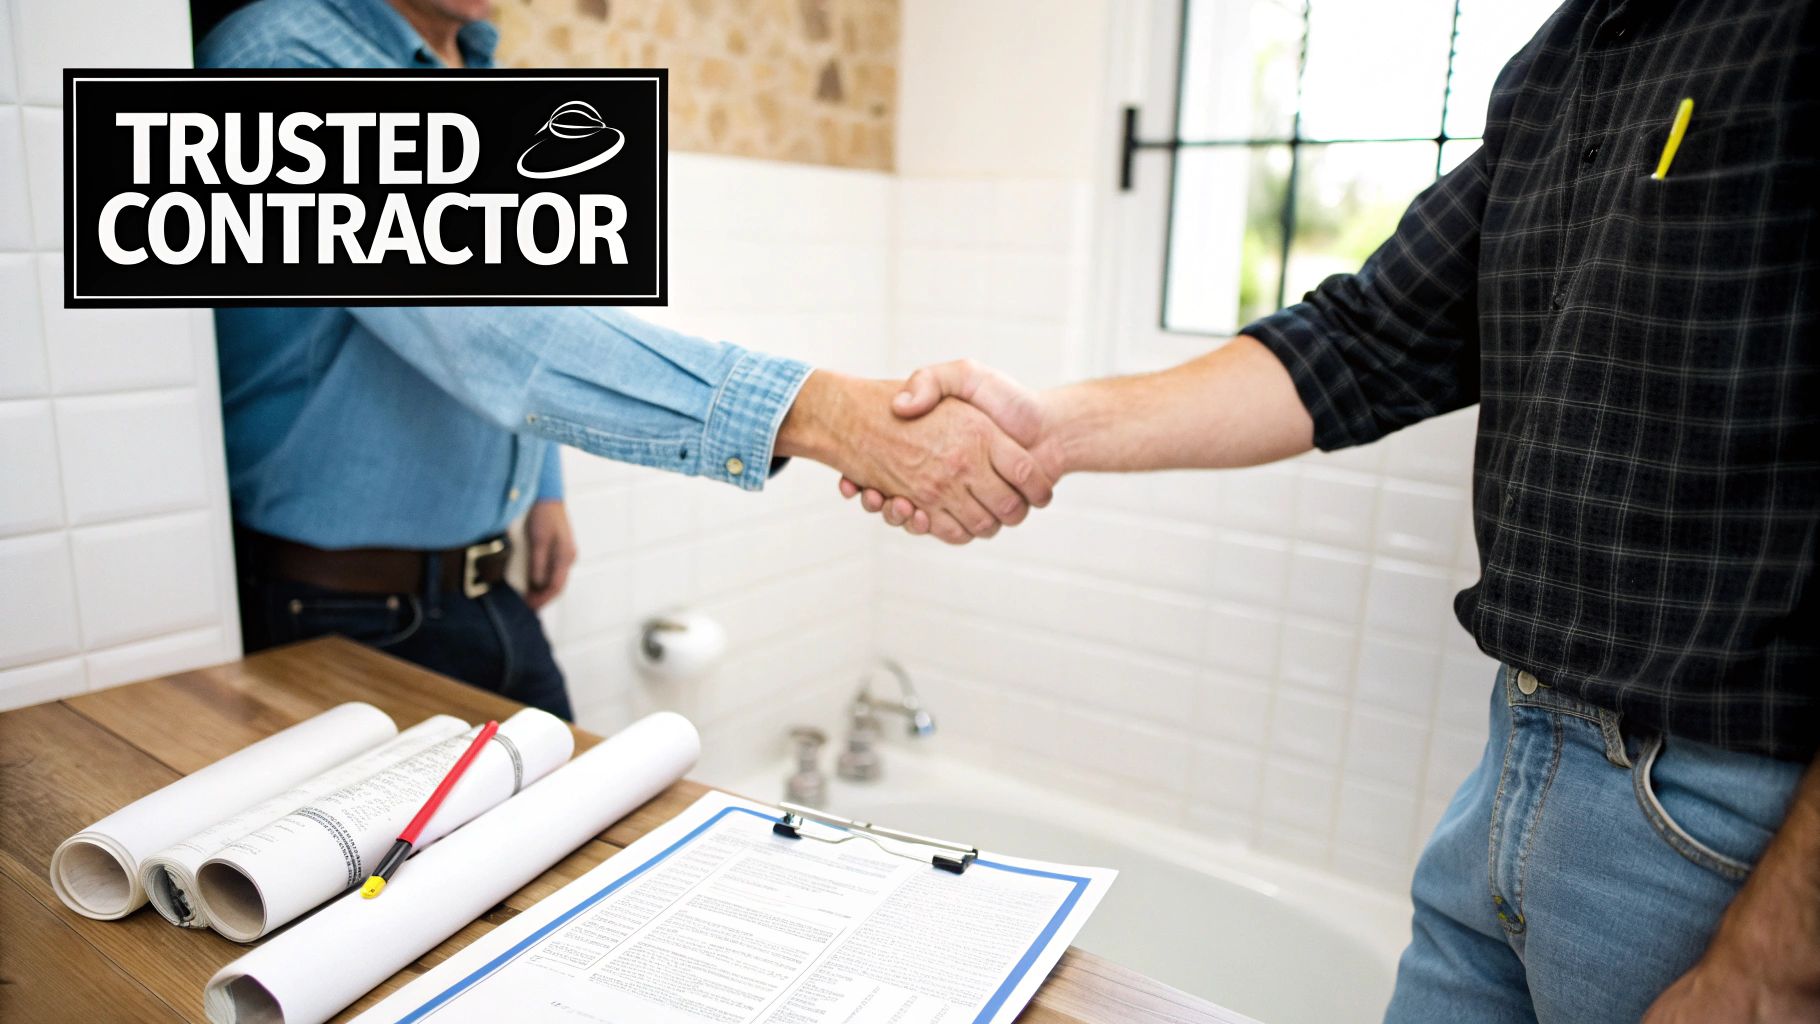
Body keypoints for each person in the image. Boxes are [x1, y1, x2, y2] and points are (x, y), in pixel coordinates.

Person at [846, 0, 1820, 1020]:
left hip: (1729, 828)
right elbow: (1361, 340)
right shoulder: (1565, 55)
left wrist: (1773, 963)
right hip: (1513, 766)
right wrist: (1044, 429)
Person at [198, 0, 1051, 721]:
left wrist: (543, 488)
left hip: (486, 599)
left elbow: (527, 306)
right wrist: (823, 414)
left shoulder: (478, 76)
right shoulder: (281, 58)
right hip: (335, 615)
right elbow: (493, 330)